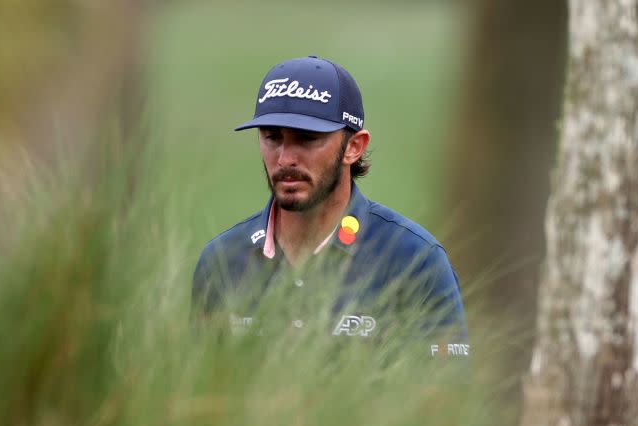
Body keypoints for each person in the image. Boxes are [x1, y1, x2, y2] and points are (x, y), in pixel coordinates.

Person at [191, 56, 469, 358]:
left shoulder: (415, 260)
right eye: (272, 137)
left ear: (354, 147)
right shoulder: (221, 261)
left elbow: (444, 398)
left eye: (307, 139)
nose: (285, 159)